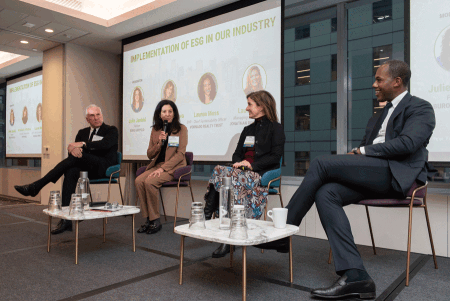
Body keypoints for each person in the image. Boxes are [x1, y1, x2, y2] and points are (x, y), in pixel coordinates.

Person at [256, 60, 436, 299]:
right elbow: (367, 146)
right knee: (326, 192)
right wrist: (360, 152)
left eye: (379, 80)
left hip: (396, 175)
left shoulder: (421, 108)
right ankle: (356, 275)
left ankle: (284, 232)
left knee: (321, 163)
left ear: (397, 81)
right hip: (373, 173)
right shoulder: (379, 115)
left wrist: (362, 152)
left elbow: (408, 144)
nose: (374, 84)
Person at [203, 90, 285, 257]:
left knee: (225, 175)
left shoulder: (276, 129)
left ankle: (212, 221)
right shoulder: (247, 129)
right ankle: (214, 220)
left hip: (260, 173)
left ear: (261, 106)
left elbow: (275, 158)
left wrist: (251, 165)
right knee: (222, 170)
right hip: (240, 172)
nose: (247, 108)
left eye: (250, 104)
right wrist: (239, 163)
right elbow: (236, 154)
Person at [15, 105, 119, 234]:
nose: (96, 118)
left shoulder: (111, 130)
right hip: (86, 168)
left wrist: (82, 144)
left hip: (104, 166)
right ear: (87, 119)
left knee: (76, 159)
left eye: (98, 114)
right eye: (92, 116)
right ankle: (66, 220)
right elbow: (74, 155)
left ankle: (37, 186)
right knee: (70, 171)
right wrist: (72, 149)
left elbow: (104, 145)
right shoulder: (82, 132)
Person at [135, 100, 188, 234]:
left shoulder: (181, 129)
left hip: (173, 167)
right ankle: (148, 219)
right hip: (157, 165)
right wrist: (159, 143)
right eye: (164, 111)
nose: (167, 114)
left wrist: (163, 169)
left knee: (150, 182)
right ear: (159, 114)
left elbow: (180, 154)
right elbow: (149, 154)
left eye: (170, 111)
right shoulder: (155, 130)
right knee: (139, 181)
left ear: (174, 114)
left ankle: (155, 221)